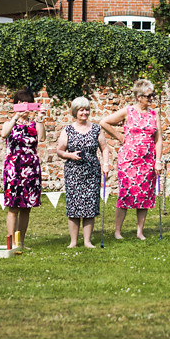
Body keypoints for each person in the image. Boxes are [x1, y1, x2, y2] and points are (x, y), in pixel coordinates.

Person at [101, 79, 162, 240]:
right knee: (126, 193)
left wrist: (158, 160)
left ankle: (140, 231)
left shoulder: (154, 115)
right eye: (149, 96)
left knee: (145, 196)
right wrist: (120, 137)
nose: (151, 99)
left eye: (152, 95)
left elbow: (159, 139)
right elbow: (104, 122)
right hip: (128, 160)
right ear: (139, 97)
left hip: (148, 160)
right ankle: (117, 231)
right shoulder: (128, 111)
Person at [56, 97, 109, 248]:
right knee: (74, 206)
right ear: (75, 112)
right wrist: (70, 155)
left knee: (90, 205)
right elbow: (59, 150)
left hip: (92, 171)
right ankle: (73, 242)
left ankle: (87, 241)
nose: (84, 113)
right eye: (81, 110)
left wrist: (105, 164)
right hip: (73, 171)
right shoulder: (68, 129)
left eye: (86, 110)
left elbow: (104, 148)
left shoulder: (96, 129)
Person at [1, 87, 45, 252]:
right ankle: (11, 243)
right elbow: (4, 134)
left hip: (31, 168)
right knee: (13, 207)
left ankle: (21, 242)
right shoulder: (10, 123)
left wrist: (40, 119)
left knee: (27, 207)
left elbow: (42, 137)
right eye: (21, 103)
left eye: (28, 103)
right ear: (16, 105)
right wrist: (15, 117)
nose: (25, 107)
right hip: (14, 169)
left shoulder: (34, 124)